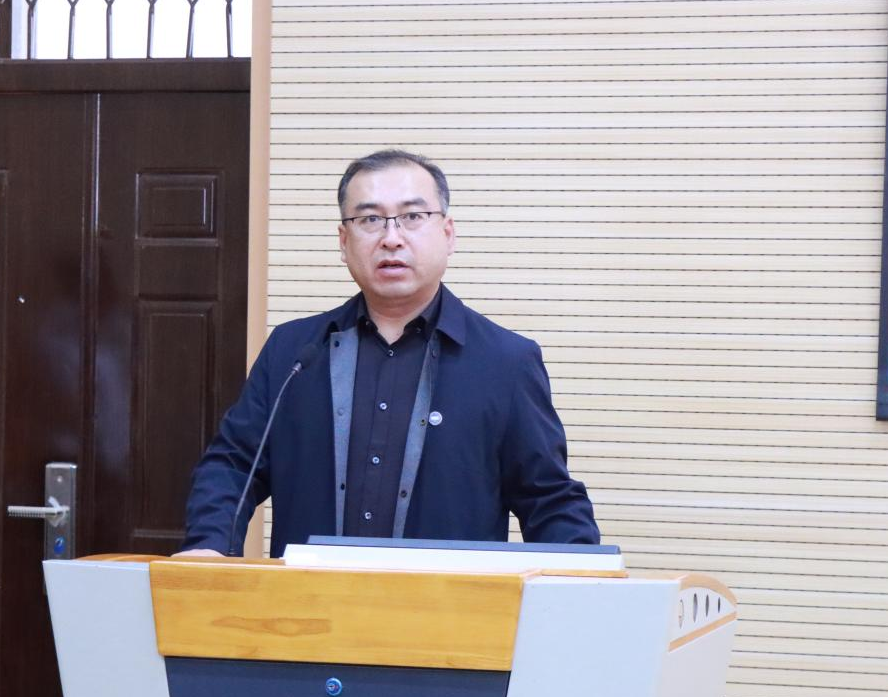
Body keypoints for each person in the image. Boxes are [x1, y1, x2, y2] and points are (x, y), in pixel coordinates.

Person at [181, 149, 598, 557]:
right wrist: (208, 547)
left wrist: (580, 575)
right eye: (370, 220)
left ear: (448, 234)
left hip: (447, 601)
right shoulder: (293, 351)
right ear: (343, 241)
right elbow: (233, 466)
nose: (392, 238)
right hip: (310, 600)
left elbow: (549, 499)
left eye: (413, 217)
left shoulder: (505, 362)